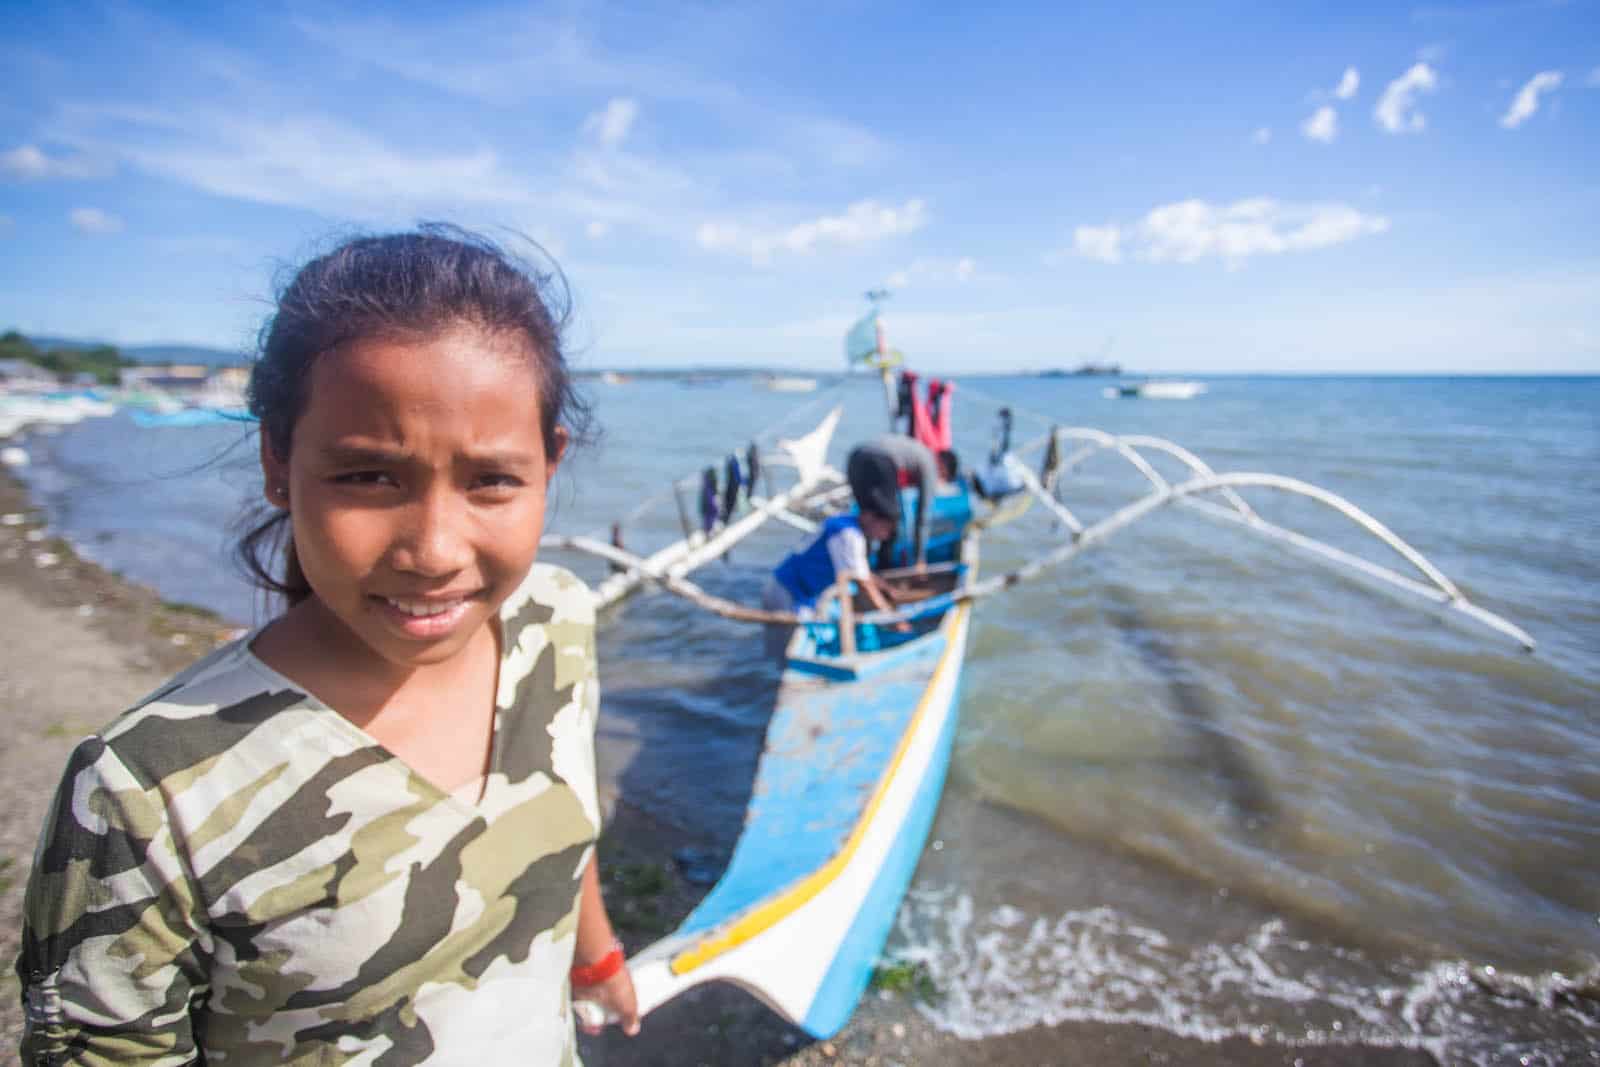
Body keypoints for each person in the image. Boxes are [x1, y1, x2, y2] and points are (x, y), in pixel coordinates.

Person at [16, 226, 640, 1064]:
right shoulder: (148, 794)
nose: (434, 550)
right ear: (280, 458)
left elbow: (562, 809)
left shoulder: (555, 618)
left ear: (549, 465)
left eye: (491, 479)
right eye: (368, 477)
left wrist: (594, 956)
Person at [845, 433, 945, 569]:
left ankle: (861, 568)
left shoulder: (915, 449)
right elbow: (923, 515)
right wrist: (920, 558)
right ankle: (883, 571)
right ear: (943, 469)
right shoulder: (930, 464)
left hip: (855, 457)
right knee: (890, 522)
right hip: (879, 460)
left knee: (867, 518)